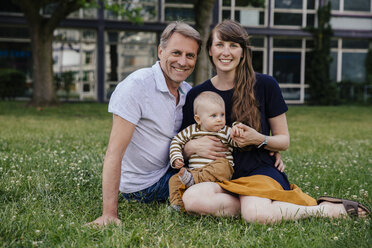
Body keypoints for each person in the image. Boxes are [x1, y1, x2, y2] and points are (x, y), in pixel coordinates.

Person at [181, 20, 370, 224]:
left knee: (256, 216)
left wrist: (259, 139)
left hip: (258, 170)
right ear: (210, 50)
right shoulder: (196, 94)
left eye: (233, 45)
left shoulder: (265, 85)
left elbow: (284, 141)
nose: (226, 52)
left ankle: (323, 209)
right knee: (191, 200)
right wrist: (191, 147)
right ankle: (258, 205)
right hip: (218, 175)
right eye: (220, 45)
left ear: (243, 52)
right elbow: (183, 141)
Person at [89, 21, 202, 226]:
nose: (183, 62)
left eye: (190, 55)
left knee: (220, 167)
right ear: (160, 51)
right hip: (143, 187)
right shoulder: (137, 86)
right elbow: (113, 154)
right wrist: (109, 214)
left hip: (169, 170)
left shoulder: (187, 90)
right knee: (214, 184)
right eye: (176, 53)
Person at [168, 91, 244, 211]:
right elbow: (176, 142)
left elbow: (237, 142)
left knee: (224, 165)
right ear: (198, 119)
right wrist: (177, 157)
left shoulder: (225, 131)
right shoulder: (191, 130)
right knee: (174, 180)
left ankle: (194, 180)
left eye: (222, 115)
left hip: (218, 173)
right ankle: (177, 204)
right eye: (213, 116)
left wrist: (237, 131)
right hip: (195, 171)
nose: (219, 119)